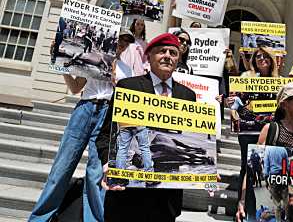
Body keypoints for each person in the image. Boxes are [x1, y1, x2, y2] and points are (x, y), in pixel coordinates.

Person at [96, 33, 196, 222]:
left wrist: (204, 171)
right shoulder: (128, 87)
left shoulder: (187, 96)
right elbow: (105, 135)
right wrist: (107, 163)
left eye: (173, 53)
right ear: (149, 57)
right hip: (126, 194)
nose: (168, 56)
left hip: (165, 200)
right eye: (162, 51)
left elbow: (187, 142)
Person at [29, 58, 114, 221]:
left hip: (109, 112)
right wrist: (62, 63)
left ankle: (94, 219)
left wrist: (116, 75)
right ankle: (39, 218)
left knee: (96, 173)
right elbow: (75, 88)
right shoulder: (96, 58)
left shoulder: (128, 61)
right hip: (85, 108)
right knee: (62, 167)